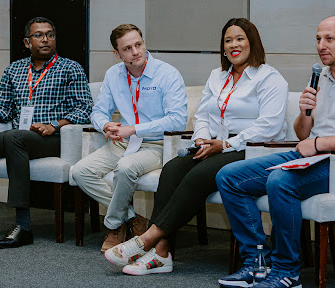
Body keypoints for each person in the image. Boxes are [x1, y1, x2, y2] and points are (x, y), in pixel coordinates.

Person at [104, 18, 289, 276]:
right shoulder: (218, 76)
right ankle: (162, 254)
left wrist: (225, 143)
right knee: (172, 169)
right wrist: (201, 138)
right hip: (215, 145)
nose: (234, 45)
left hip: (253, 148)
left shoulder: (269, 78)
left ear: (252, 42)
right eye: (228, 40)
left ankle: (149, 241)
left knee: (200, 174)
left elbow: (269, 126)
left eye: (240, 39)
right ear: (222, 47)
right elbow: (202, 116)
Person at [216, 15, 335, 288]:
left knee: (280, 180)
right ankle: (256, 261)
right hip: (311, 155)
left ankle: (287, 271)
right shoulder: (324, 77)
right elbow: (301, 134)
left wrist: (320, 144)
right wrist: (304, 113)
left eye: (329, 39)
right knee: (229, 176)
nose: (321, 45)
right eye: (318, 39)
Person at [0, 17, 93, 249]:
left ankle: (23, 225)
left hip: (52, 139)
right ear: (27, 42)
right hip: (18, 137)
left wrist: (54, 125)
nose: (46, 39)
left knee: (14, 137)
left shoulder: (70, 68)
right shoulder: (14, 70)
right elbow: (4, 106)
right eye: (38, 35)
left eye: (50, 34)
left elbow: (85, 108)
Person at [71, 24, 188, 253]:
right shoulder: (114, 75)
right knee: (79, 171)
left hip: (157, 144)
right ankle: (133, 218)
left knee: (125, 167)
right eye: (127, 48)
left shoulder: (167, 74)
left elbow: (177, 121)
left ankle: (114, 226)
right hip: (122, 141)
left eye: (138, 44)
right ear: (117, 54)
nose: (135, 51)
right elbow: (98, 111)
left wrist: (133, 129)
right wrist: (104, 124)